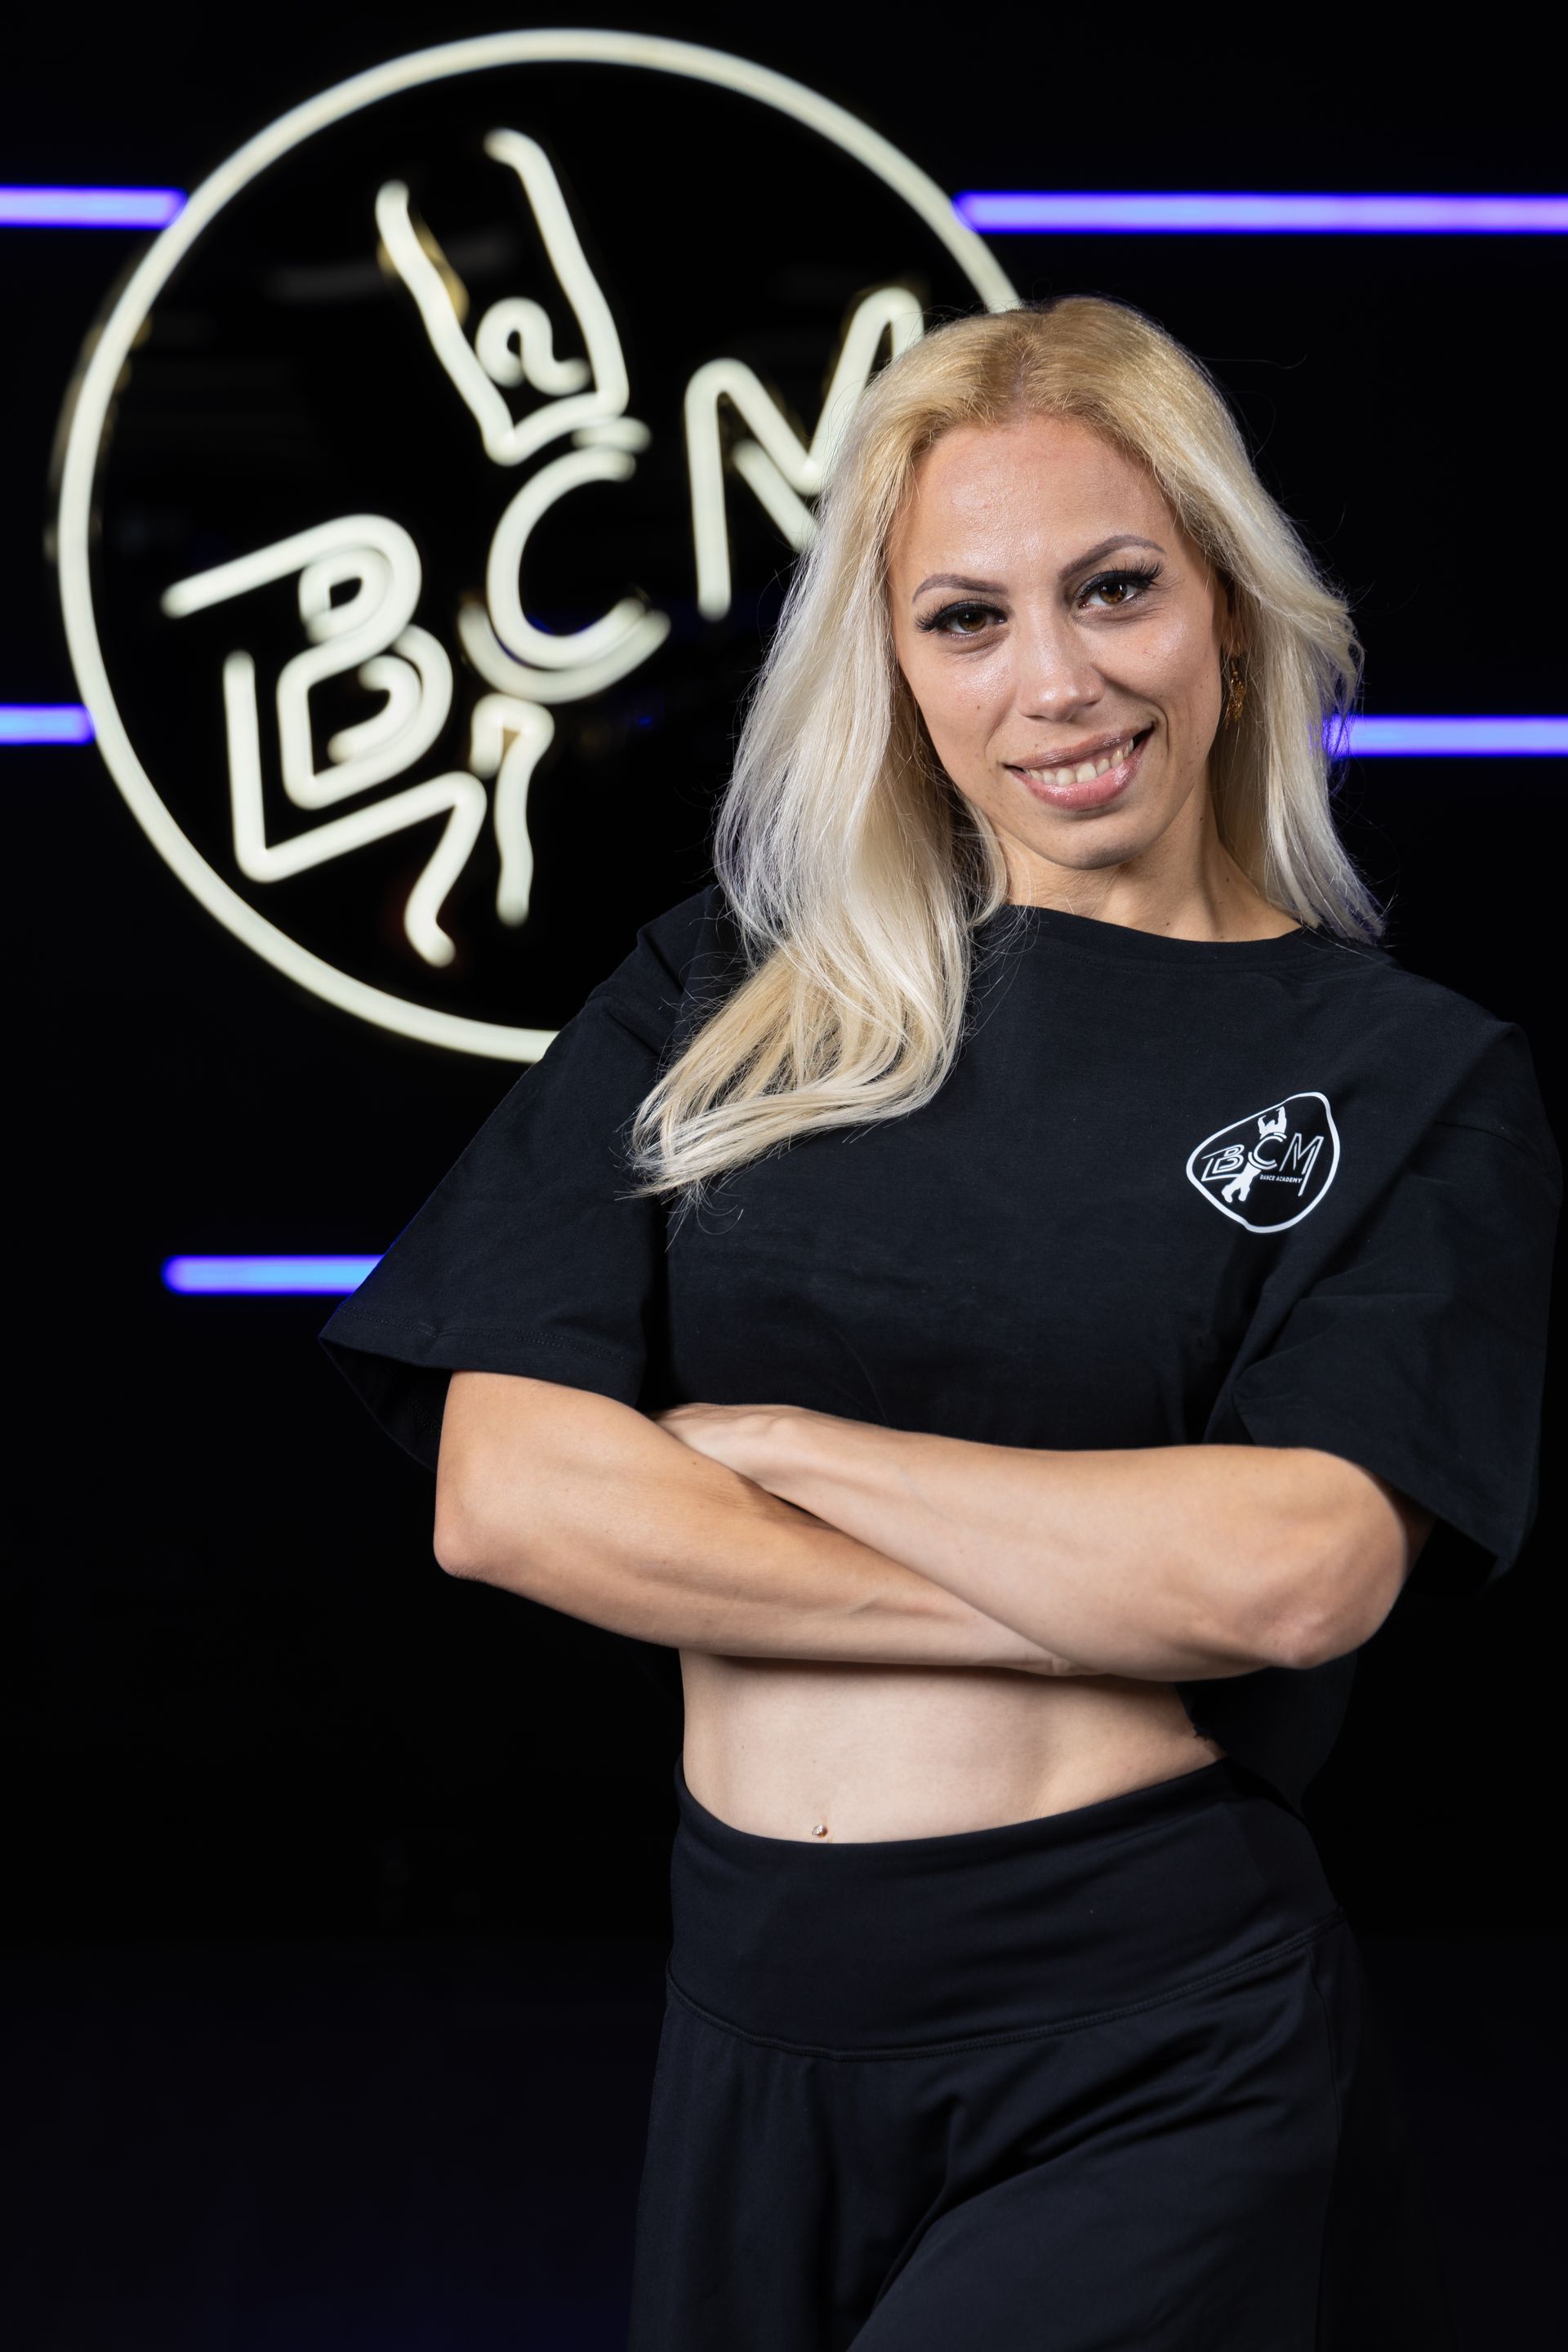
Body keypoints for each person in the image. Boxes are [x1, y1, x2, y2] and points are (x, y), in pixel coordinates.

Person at [318, 296, 1560, 2350]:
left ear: (1229, 611)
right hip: (748, 2026)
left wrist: (784, 1447)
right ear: (891, 670)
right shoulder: (729, 992)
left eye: (1117, 589)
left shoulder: (1409, 1077)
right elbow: (508, 1491)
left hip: (1154, 2036)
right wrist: (1103, 1600)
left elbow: (1302, 1569)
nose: (1056, 681)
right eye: (966, 618)